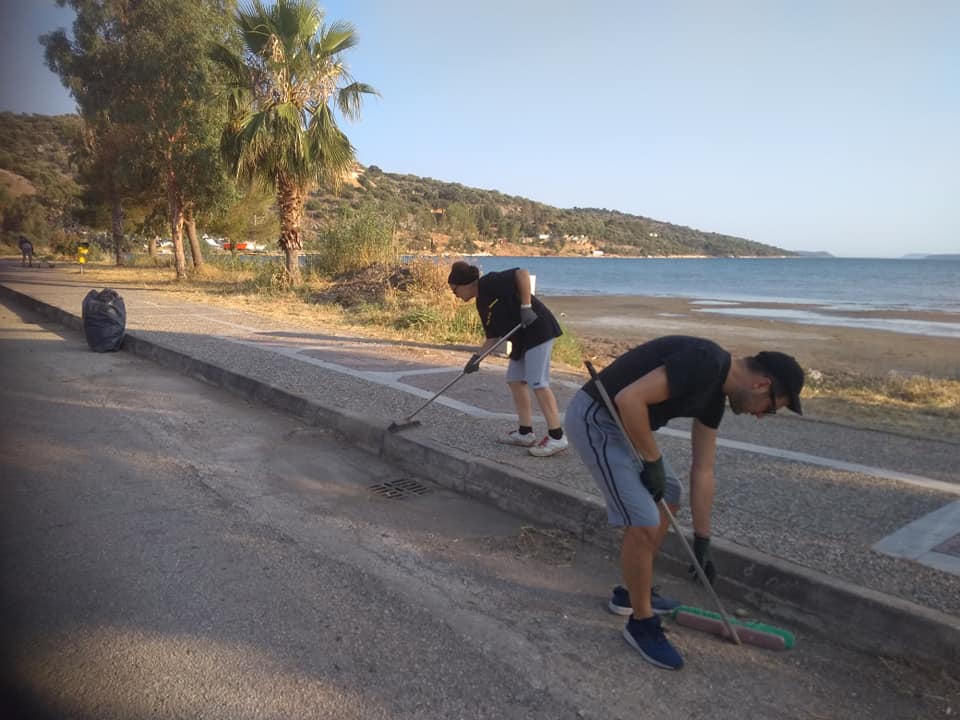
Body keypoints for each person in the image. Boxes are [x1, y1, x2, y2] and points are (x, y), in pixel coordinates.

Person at [565, 335, 804, 670]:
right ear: (762, 384)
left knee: (670, 494)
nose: (762, 416)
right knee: (644, 520)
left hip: (622, 429)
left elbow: (703, 470)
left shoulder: (714, 398)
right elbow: (629, 399)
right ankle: (641, 625)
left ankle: (632, 594)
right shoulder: (706, 360)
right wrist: (652, 461)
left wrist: (702, 539)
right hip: (597, 419)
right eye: (772, 407)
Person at [447, 260, 568, 457]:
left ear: (467, 284)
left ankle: (557, 436)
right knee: (515, 379)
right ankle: (525, 433)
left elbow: (522, 273)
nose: (456, 295)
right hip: (521, 339)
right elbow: (492, 338)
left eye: (455, 290)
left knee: (538, 382)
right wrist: (476, 358)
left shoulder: (489, 283)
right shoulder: (481, 303)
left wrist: (526, 307)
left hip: (538, 330)